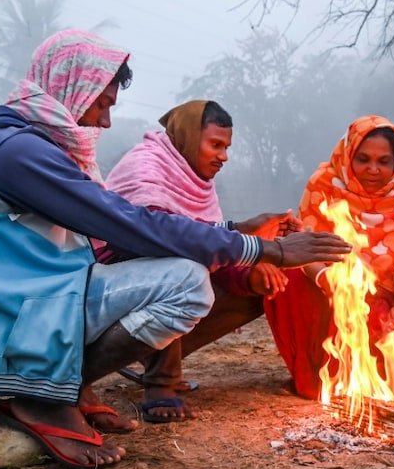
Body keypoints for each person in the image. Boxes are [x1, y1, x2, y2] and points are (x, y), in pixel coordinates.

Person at [0, 30, 351, 469]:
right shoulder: (17, 152)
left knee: (190, 271)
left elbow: (135, 229)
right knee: (186, 281)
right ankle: (44, 401)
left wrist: (237, 233)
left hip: (32, 293)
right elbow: (131, 226)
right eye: (102, 104)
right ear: (72, 89)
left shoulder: (28, 144)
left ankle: (63, 387)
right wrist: (267, 249)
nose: (105, 123)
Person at [97, 99, 294, 423]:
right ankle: (161, 382)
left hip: (167, 281)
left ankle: (150, 353)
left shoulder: (197, 182)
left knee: (260, 283)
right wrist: (244, 234)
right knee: (176, 264)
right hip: (111, 285)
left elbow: (209, 247)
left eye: (227, 147)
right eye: (215, 144)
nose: (224, 157)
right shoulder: (145, 166)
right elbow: (163, 238)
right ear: (188, 136)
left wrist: (250, 276)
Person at [264, 115, 394, 399]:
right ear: (348, 155)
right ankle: (314, 378)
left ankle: (386, 370)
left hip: (391, 299)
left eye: (383, 161)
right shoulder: (323, 185)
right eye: (363, 159)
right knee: (287, 277)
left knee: (381, 327)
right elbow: (303, 248)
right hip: (327, 285)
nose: (373, 169)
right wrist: (326, 279)